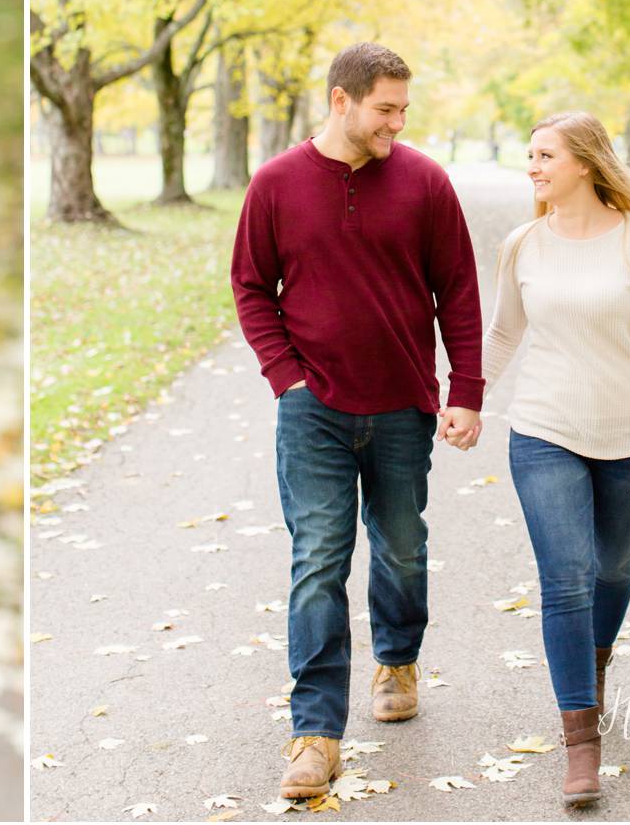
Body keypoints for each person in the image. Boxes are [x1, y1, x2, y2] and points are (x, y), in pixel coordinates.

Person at [230, 41, 485, 801]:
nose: (397, 125)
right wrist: (289, 380)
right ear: (341, 101)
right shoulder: (276, 184)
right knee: (318, 560)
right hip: (314, 412)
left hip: (404, 403)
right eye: (385, 110)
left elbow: (459, 292)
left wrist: (463, 389)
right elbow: (251, 287)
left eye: (404, 110)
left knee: (402, 547)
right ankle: (315, 734)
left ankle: (398, 658)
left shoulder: (425, 182)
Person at [470, 111, 630, 807]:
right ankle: (581, 742)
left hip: (626, 437)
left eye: (545, 155)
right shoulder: (523, 244)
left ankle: (593, 663)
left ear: (584, 162)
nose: (533, 167)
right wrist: (465, 400)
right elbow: (502, 335)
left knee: (611, 569)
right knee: (567, 578)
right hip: (543, 430)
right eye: (529, 155)